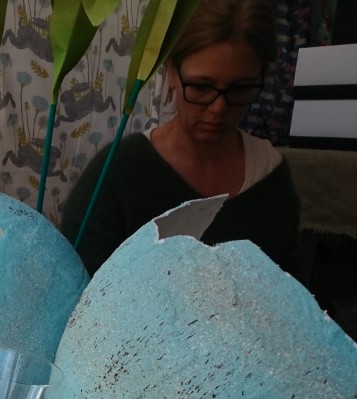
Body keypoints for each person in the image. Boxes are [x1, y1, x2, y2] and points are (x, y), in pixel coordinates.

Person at [59, 0, 301, 276]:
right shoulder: (117, 173)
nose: (219, 108)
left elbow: (292, 289)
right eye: (200, 87)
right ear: (171, 71)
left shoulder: (268, 173)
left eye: (241, 89)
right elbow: (79, 292)